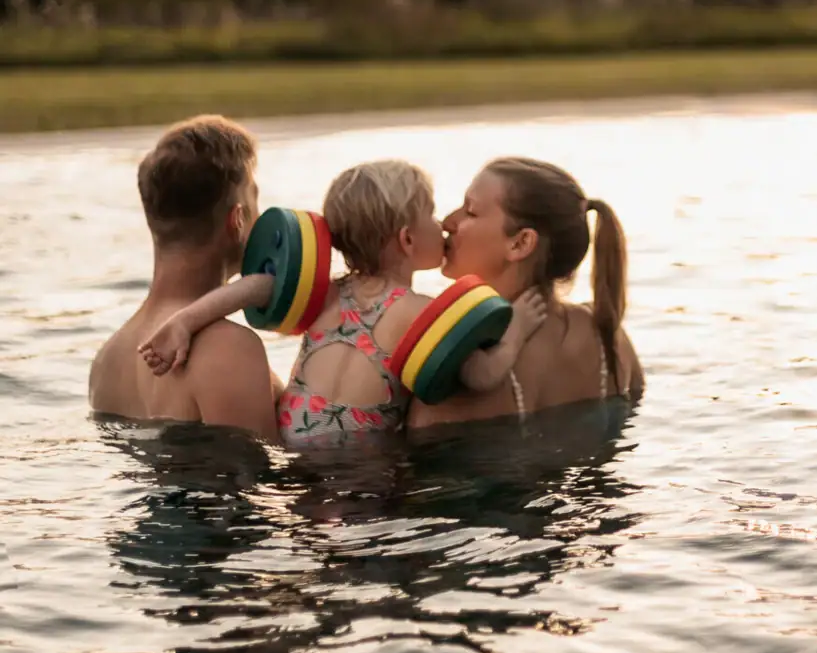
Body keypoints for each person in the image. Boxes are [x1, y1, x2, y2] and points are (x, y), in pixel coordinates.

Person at [138, 159, 549, 445]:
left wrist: (186, 321)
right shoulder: (420, 312)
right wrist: (516, 330)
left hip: (291, 445)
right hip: (358, 469)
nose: (442, 224)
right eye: (431, 214)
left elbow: (259, 285)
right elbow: (481, 376)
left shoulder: (324, 293)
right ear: (407, 239)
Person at [407, 157, 644, 431]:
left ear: (520, 243)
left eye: (470, 212)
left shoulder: (465, 366)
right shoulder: (609, 337)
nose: (448, 222)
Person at [89, 115, 280, 440]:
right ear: (237, 219)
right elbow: (263, 470)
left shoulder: (107, 360)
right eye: (255, 199)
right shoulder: (228, 349)